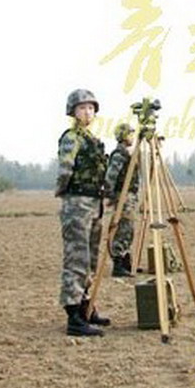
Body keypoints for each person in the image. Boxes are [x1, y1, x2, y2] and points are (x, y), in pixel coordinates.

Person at [55, 88, 110, 337]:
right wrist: (63, 191)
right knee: (77, 259)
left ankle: (87, 306)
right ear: (73, 112)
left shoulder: (91, 139)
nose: (87, 112)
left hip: (94, 203)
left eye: (90, 108)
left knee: (90, 259)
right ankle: (74, 316)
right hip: (77, 203)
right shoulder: (72, 138)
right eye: (82, 108)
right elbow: (65, 168)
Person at [104, 121, 140, 277]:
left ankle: (126, 261)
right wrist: (110, 195)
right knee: (124, 229)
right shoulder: (119, 155)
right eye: (130, 134)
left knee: (129, 228)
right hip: (123, 196)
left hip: (129, 195)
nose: (133, 137)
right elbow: (111, 176)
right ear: (124, 136)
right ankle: (118, 263)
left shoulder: (127, 154)